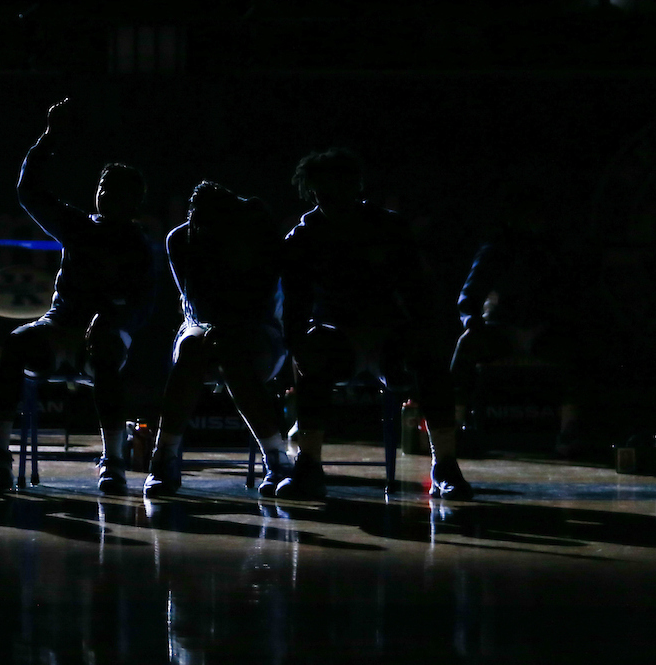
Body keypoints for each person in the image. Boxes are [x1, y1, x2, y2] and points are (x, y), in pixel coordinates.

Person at [0, 98, 156, 495]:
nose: (106, 195)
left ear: (134, 202)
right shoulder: (79, 227)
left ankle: (112, 462)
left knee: (107, 353)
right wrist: (49, 139)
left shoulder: (138, 245)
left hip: (104, 338)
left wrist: (112, 323)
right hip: (57, 329)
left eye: (117, 191)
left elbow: (142, 305)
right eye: (102, 187)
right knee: (15, 344)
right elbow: (29, 192)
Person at [276, 148, 468, 500]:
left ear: (356, 187)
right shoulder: (304, 236)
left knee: (428, 356)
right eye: (323, 191)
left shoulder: (390, 227)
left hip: (388, 338)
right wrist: (297, 346)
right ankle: (308, 465)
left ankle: (445, 465)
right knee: (312, 347)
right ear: (313, 192)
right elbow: (295, 305)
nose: (332, 199)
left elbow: (418, 291)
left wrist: (420, 335)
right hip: (338, 342)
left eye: (339, 188)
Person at [143, 181, 290, 497]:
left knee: (230, 350)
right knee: (194, 345)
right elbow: (195, 305)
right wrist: (215, 328)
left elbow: (260, 305)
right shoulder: (181, 239)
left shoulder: (257, 237)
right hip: (202, 327)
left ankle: (276, 459)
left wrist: (230, 328)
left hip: (261, 333)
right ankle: (163, 457)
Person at [451, 194, 586, 457]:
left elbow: (571, 295)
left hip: (542, 330)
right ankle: (453, 425)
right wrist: (473, 324)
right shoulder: (495, 249)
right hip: (500, 330)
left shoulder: (553, 251)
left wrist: (554, 321)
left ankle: (570, 429)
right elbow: (468, 297)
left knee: (575, 347)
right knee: (466, 344)